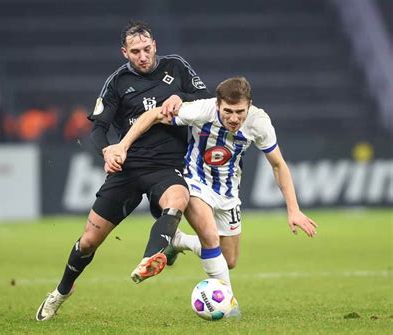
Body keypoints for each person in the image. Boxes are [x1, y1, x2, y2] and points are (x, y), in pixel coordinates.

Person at [35, 20, 212, 321]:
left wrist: (180, 97)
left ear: (154, 45)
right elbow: (98, 131)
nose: (142, 56)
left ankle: (151, 257)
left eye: (146, 49)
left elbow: (207, 101)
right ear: (124, 53)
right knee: (89, 241)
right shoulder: (116, 83)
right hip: (127, 168)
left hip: (165, 166)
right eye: (135, 52)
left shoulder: (176, 67)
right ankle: (61, 292)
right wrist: (108, 150)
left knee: (178, 198)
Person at [104, 76, 318, 311]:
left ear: (249, 106)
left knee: (229, 260)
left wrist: (293, 209)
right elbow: (153, 115)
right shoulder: (202, 109)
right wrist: (122, 145)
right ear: (218, 105)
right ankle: (229, 306)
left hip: (228, 193)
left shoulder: (259, 122)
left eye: (240, 112)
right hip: (195, 183)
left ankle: (178, 241)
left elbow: (278, 165)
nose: (234, 118)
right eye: (228, 111)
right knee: (210, 237)